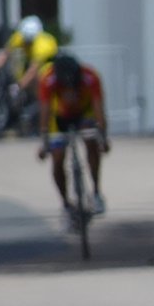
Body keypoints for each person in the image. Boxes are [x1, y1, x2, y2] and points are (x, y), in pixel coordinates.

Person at [35, 53, 110, 217]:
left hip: (84, 114)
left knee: (91, 142)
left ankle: (96, 192)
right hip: (59, 117)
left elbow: (98, 109)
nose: (69, 91)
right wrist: (44, 141)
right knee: (57, 158)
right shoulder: (48, 79)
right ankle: (66, 204)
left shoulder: (90, 76)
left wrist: (103, 137)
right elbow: (45, 110)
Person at [0, 15, 59, 133]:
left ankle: (44, 115)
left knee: (39, 83)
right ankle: (18, 115)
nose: (27, 44)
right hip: (32, 66)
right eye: (26, 41)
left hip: (48, 69)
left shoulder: (42, 45)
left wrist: (19, 86)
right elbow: (6, 52)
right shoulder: (21, 36)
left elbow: (33, 70)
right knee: (17, 80)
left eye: (30, 42)